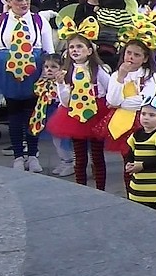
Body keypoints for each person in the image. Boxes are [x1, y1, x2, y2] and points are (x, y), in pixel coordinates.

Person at [47, 31, 111, 190]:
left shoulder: (99, 70)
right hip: (75, 115)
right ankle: (81, 188)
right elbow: (65, 101)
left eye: (79, 46)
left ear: (89, 51)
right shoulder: (67, 72)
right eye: (71, 47)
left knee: (97, 156)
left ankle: (100, 190)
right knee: (80, 157)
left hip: (97, 113)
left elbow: (110, 90)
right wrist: (61, 85)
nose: (75, 50)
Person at [124, 95, 156, 213]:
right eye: (143, 114)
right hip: (139, 181)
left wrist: (142, 165)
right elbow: (130, 152)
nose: (146, 118)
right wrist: (129, 163)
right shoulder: (136, 134)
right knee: (138, 210)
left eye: (152, 115)